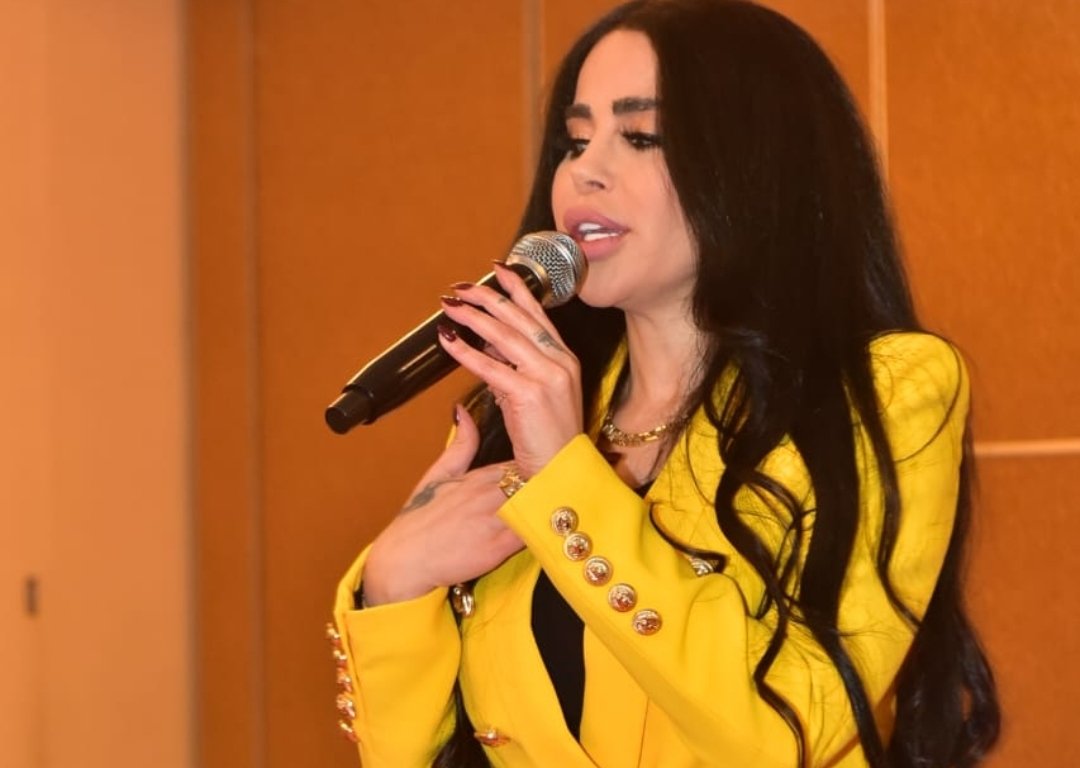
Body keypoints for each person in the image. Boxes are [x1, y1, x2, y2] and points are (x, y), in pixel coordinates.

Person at [326, 1, 1000, 766]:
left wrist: (568, 481)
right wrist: (396, 585)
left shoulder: (885, 390)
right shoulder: (540, 416)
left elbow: (782, 735)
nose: (585, 170)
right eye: (575, 141)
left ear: (758, 165)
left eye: (641, 136)